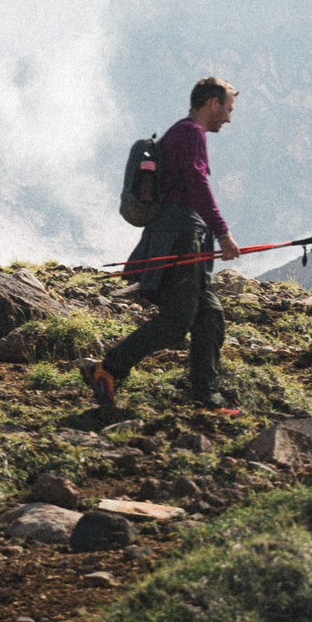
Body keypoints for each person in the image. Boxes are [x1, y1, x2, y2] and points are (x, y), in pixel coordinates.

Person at [83, 75, 242, 410]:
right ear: (212, 103)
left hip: (182, 235)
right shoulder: (190, 133)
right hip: (183, 236)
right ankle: (107, 370)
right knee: (176, 321)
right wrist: (223, 231)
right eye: (228, 109)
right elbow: (197, 184)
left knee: (209, 316)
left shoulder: (181, 133)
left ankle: (206, 397)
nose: (229, 117)